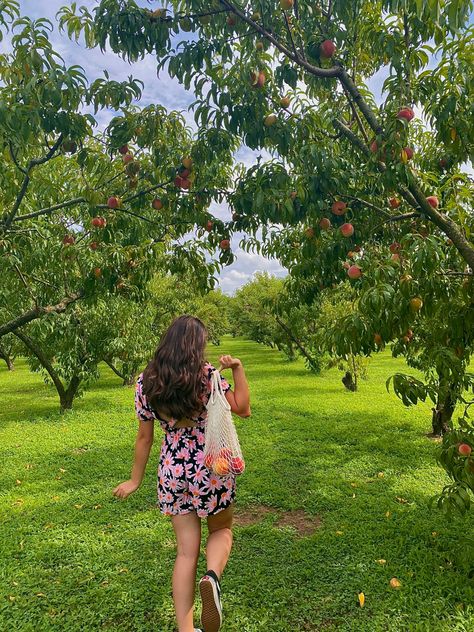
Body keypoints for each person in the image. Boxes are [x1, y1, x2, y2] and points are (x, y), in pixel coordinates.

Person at [113, 315, 251, 632]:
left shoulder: (145, 382)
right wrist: (238, 368)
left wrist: (135, 480)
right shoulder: (208, 377)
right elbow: (243, 407)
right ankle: (212, 577)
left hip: (173, 471)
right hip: (211, 467)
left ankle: (186, 630)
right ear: (195, 346)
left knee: (186, 552)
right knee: (221, 531)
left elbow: (144, 437)